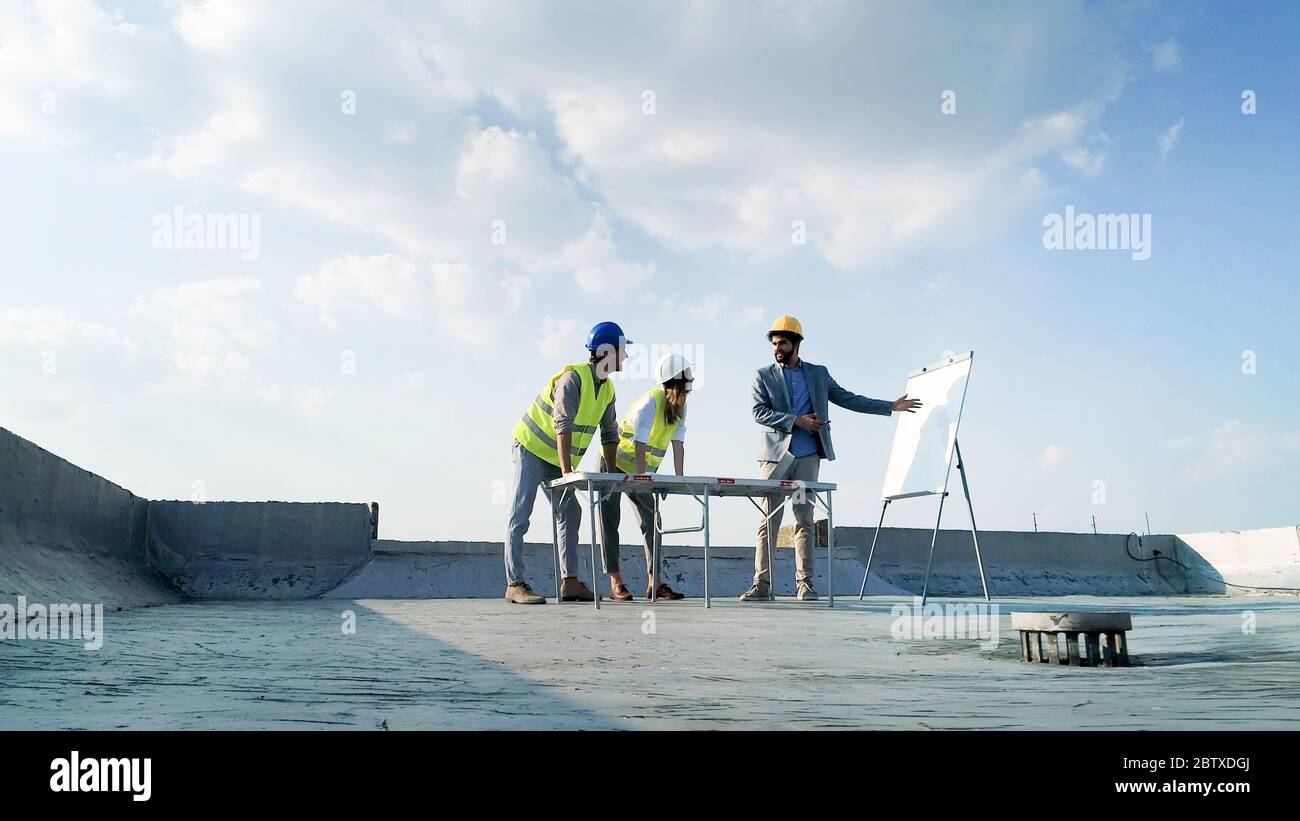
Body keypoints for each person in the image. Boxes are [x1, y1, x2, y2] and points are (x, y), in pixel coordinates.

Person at [742, 315, 921, 602]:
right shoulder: (763, 375)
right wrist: (796, 421)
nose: (777, 348)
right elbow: (758, 412)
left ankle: (805, 584)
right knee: (769, 521)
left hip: (808, 458)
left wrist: (890, 406)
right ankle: (761, 584)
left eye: (783, 343)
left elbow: (849, 399)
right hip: (774, 460)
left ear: (796, 344)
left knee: (804, 521)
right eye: (774, 343)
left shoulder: (817, 374)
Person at [504, 321, 630, 604]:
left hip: (556, 457)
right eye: (623, 351)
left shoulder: (607, 390)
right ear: (608, 352)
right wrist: (567, 471)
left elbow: (610, 434)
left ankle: (570, 582)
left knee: (571, 512)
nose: (626, 357)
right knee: (521, 511)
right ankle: (515, 583)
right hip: (531, 447)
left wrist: (610, 474)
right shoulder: (573, 379)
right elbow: (563, 423)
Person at [598, 353, 694, 601]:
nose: (690, 387)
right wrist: (642, 477)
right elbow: (640, 443)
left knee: (652, 520)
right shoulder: (649, 403)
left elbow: (678, 444)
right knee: (610, 519)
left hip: (639, 471)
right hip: (613, 463)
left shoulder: (680, 408)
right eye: (687, 381)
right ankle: (616, 582)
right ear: (675, 382)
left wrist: (680, 479)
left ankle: (655, 583)